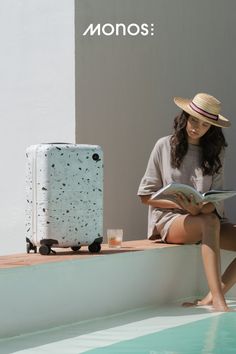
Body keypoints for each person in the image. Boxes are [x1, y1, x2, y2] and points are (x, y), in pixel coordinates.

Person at [137, 92, 236, 312]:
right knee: (209, 222)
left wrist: (200, 207)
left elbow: (215, 199)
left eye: (204, 124)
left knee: (210, 219)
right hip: (171, 220)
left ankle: (210, 297)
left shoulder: (217, 153)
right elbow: (145, 196)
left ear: (212, 128)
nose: (197, 128)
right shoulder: (164, 146)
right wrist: (182, 205)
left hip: (206, 217)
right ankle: (220, 303)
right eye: (193, 120)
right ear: (185, 117)